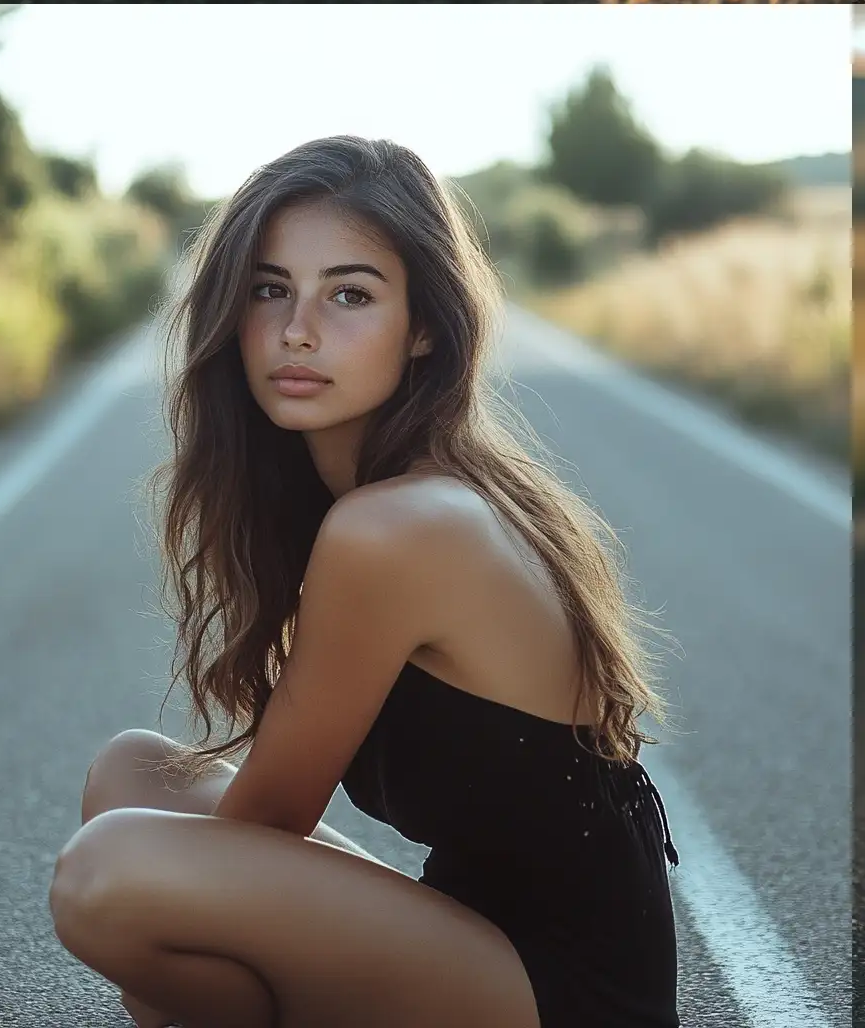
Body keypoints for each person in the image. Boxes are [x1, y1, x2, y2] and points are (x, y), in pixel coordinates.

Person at [49, 136, 679, 1028]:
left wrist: (181, 937)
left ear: (425, 325)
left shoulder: (396, 528)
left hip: (564, 994)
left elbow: (266, 821)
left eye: (350, 294)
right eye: (271, 289)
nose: (297, 329)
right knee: (132, 772)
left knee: (107, 875)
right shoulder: (388, 495)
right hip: (473, 935)